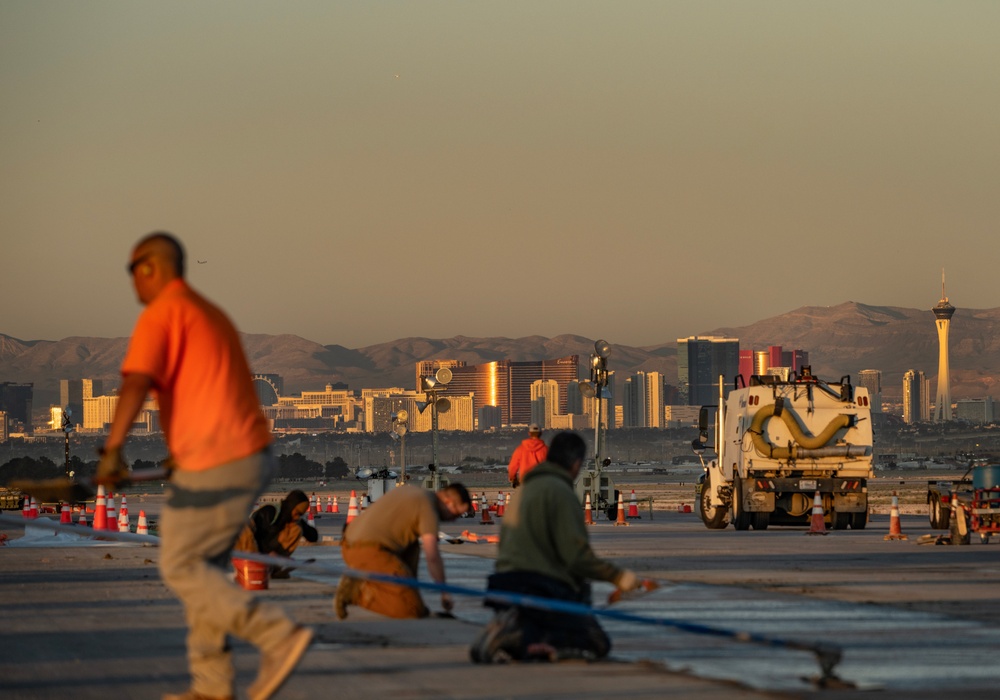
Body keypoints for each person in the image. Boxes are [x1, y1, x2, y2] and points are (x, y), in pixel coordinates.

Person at [96, 232, 311, 700]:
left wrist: (113, 450)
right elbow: (210, 393)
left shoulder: (163, 313)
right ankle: (211, 686)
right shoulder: (209, 314)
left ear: (150, 267)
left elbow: (136, 382)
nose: (130, 281)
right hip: (239, 455)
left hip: (222, 459)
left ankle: (277, 634)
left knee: (180, 564)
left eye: (131, 269)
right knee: (206, 574)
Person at [470, 431, 641, 663]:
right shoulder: (560, 492)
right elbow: (577, 556)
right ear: (577, 463)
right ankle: (526, 637)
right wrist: (619, 577)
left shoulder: (525, 491)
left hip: (504, 582)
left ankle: (516, 628)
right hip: (542, 588)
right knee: (596, 643)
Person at [334, 483, 472, 619]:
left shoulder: (412, 491)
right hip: (368, 551)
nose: (454, 520)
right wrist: (444, 592)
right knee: (412, 611)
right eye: (456, 514)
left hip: (348, 545)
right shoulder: (428, 507)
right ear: (448, 501)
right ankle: (356, 594)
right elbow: (432, 556)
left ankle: (405, 591)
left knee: (413, 543)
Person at [235, 490, 318, 579]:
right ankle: (252, 565)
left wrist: (301, 523)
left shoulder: (292, 520)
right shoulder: (270, 511)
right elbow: (258, 536)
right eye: (297, 513)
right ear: (291, 506)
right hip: (251, 551)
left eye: (300, 514)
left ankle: (275, 568)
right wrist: (269, 553)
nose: (297, 517)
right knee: (244, 527)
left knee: (297, 529)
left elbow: (313, 537)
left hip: (269, 556)